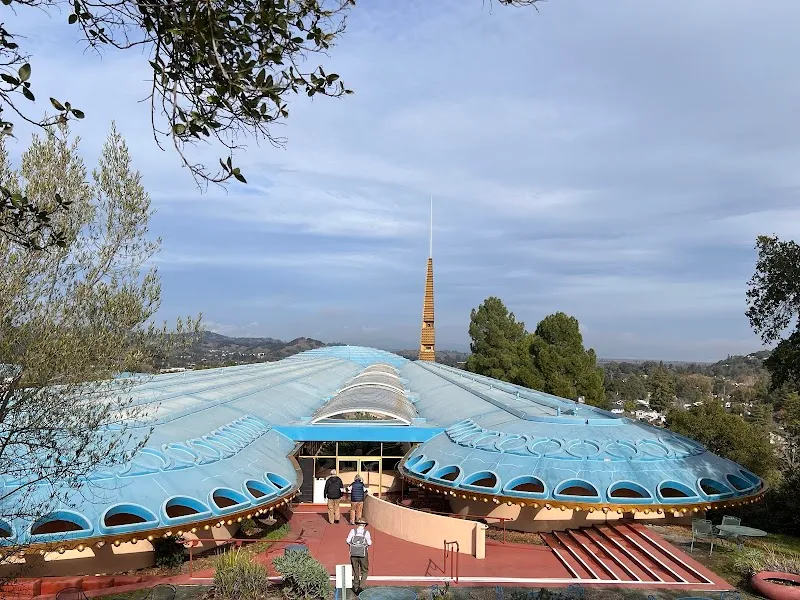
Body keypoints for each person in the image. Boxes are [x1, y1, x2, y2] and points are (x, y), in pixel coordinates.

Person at [346, 520, 372, 594]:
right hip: (363, 553)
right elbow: (369, 542)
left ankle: (356, 587)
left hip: (353, 554)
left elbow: (347, 540)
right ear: (364, 525)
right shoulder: (366, 532)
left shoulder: (353, 531)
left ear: (357, 524)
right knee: (364, 570)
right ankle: (361, 586)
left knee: (355, 570)